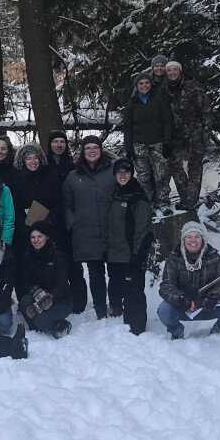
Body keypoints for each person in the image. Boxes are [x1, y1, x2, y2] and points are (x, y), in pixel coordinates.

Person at [62, 135, 116, 319]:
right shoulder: (73, 176)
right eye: (87, 148)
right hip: (86, 233)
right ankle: (100, 307)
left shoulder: (113, 172)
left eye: (95, 147)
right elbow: (66, 204)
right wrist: (73, 223)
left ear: (101, 150)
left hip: (112, 231)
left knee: (115, 271)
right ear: (82, 152)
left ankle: (116, 305)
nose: (91, 151)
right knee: (95, 273)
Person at [158, 222, 220, 339]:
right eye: (189, 237)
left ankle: (219, 333)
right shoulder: (174, 259)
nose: (193, 241)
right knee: (164, 309)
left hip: (209, 305)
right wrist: (180, 298)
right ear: (183, 239)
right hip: (184, 306)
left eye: (197, 237)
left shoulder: (215, 258)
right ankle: (176, 331)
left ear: (203, 239)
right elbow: (166, 286)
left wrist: (215, 297)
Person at [105, 158, 153, 335]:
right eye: (118, 172)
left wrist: (137, 255)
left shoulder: (138, 198)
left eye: (126, 172)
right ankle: (118, 317)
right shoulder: (114, 195)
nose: (122, 175)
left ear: (132, 174)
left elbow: (142, 230)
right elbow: (109, 225)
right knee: (116, 288)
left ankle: (137, 327)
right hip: (114, 254)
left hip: (131, 255)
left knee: (134, 292)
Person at [44, 129, 86, 313]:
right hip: (50, 220)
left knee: (73, 262)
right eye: (55, 142)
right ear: (50, 145)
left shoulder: (73, 166)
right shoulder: (44, 166)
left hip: (69, 221)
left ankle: (79, 301)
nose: (59, 145)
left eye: (62, 142)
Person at [165, 61, 212, 210]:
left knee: (194, 166)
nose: (172, 73)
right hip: (176, 135)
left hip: (195, 133)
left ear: (180, 71)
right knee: (174, 164)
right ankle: (185, 196)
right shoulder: (165, 89)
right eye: (169, 70)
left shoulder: (193, 87)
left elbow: (206, 111)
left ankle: (192, 199)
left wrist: (206, 132)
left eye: (175, 70)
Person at [124, 72, 173, 215]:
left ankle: (163, 202)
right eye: (141, 83)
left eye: (147, 83)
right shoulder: (131, 104)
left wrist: (167, 143)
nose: (144, 86)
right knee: (143, 177)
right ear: (136, 86)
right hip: (139, 145)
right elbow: (127, 128)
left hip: (158, 143)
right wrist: (128, 149)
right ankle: (148, 203)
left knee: (162, 174)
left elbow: (167, 122)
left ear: (150, 84)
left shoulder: (158, 100)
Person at [17, 221, 73, 338]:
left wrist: (48, 297)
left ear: (47, 237)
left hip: (60, 300)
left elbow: (62, 283)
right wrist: (36, 291)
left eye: (39, 236)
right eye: (33, 237)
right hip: (38, 295)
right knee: (24, 302)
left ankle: (61, 325)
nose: (36, 240)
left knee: (41, 320)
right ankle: (37, 330)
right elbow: (25, 279)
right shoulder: (28, 256)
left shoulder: (58, 255)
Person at [11, 143, 62, 259]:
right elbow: (16, 205)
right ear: (23, 161)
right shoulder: (18, 180)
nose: (32, 161)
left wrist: (50, 222)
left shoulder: (50, 176)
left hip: (50, 228)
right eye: (28, 158)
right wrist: (23, 225)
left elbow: (58, 202)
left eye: (35, 158)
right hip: (26, 230)